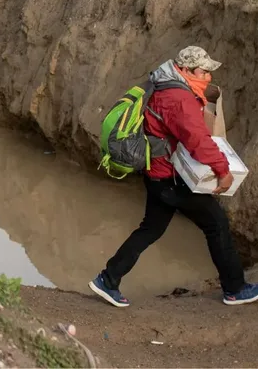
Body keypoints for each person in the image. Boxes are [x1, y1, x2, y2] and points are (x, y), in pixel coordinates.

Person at [89, 46, 258, 307]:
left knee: (150, 229)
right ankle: (235, 289)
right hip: (171, 179)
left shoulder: (161, 82)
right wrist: (223, 172)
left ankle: (107, 280)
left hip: (156, 175)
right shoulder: (180, 100)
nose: (208, 77)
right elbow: (199, 143)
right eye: (204, 72)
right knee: (216, 224)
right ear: (186, 70)